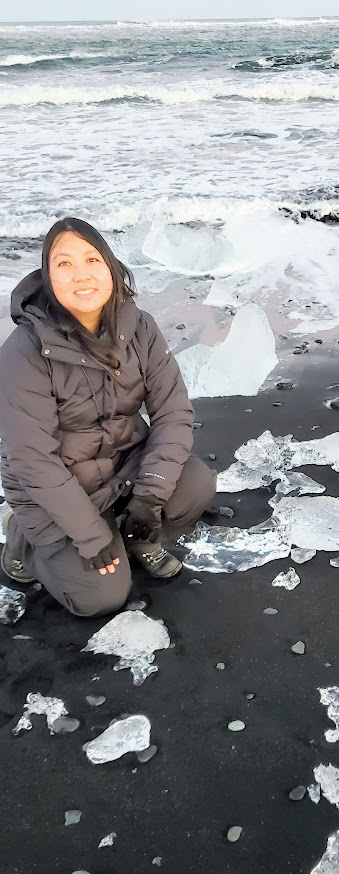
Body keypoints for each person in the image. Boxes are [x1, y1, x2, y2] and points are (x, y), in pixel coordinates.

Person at [0, 217, 216, 617]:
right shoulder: (23, 353)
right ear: (48, 277)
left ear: (112, 268)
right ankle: (25, 542)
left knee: (195, 484)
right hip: (56, 491)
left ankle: (134, 536)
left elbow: (172, 411)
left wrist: (149, 497)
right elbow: (33, 462)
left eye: (92, 259)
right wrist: (90, 536)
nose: (81, 275)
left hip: (124, 466)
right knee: (100, 598)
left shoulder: (141, 328)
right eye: (64, 264)